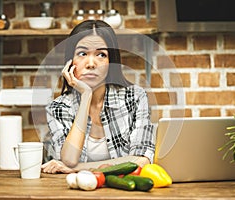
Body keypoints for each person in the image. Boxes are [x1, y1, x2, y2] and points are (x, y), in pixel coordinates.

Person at [41, 20, 155, 174]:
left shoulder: (135, 98)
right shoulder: (58, 108)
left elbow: (142, 160)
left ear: (111, 62)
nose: (91, 63)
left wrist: (80, 168)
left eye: (101, 54)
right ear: (70, 62)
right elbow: (69, 159)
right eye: (82, 54)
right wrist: (86, 95)